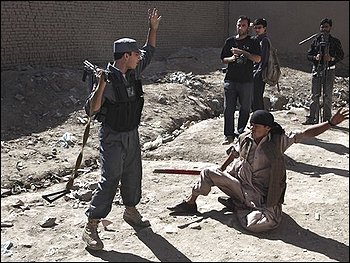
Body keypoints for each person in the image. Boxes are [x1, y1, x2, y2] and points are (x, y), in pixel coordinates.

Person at [167, 108, 349, 233]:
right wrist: (220, 171)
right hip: (239, 185)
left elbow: (306, 133)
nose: (252, 128)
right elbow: (234, 153)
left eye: (256, 126)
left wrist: (330, 123)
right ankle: (190, 203)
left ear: (267, 128)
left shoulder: (278, 141)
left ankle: (238, 206)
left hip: (260, 195)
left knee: (260, 225)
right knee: (208, 171)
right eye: (251, 125)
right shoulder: (246, 138)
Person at [82, 8, 161, 250]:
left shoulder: (133, 71)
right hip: (113, 136)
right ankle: (91, 226)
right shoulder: (106, 78)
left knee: (133, 173)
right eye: (136, 54)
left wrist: (153, 29)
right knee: (110, 179)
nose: (140, 57)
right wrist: (100, 86)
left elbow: (150, 50)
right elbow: (91, 110)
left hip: (131, 133)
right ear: (126, 55)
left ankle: (130, 211)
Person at [220, 15, 261, 145]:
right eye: (238, 25)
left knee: (245, 108)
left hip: (246, 81)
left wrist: (243, 53)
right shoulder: (230, 41)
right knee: (228, 109)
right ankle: (228, 135)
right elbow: (223, 58)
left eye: (243, 25)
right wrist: (231, 59)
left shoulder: (253, 42)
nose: (240, 27)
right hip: (231, 80)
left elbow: (258, 59)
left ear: (247, 27)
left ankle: (240, 133)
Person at [302, 18, 344, 125]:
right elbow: (308, 55)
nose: (324, 29)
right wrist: (316, 58)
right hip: (317, 70)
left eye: (326, 27)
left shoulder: (335, 41)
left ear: (330, 28)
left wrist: (331, 59)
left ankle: (327, 120)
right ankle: (312, 118)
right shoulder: (315, 41)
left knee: (327, 95)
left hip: (329, 71)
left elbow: (341, 55)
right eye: (322, 27)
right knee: (314, 95)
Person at [252, 18, 270, 111]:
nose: (257, 30)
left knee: (257, 99)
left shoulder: (264, 41)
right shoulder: (256, 39)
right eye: (255, 28)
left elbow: (264, 59)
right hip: (253, 72)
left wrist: (258, 73)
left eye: (259, 27)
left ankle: (260, 121)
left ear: (264, 28)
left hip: (259, 74)